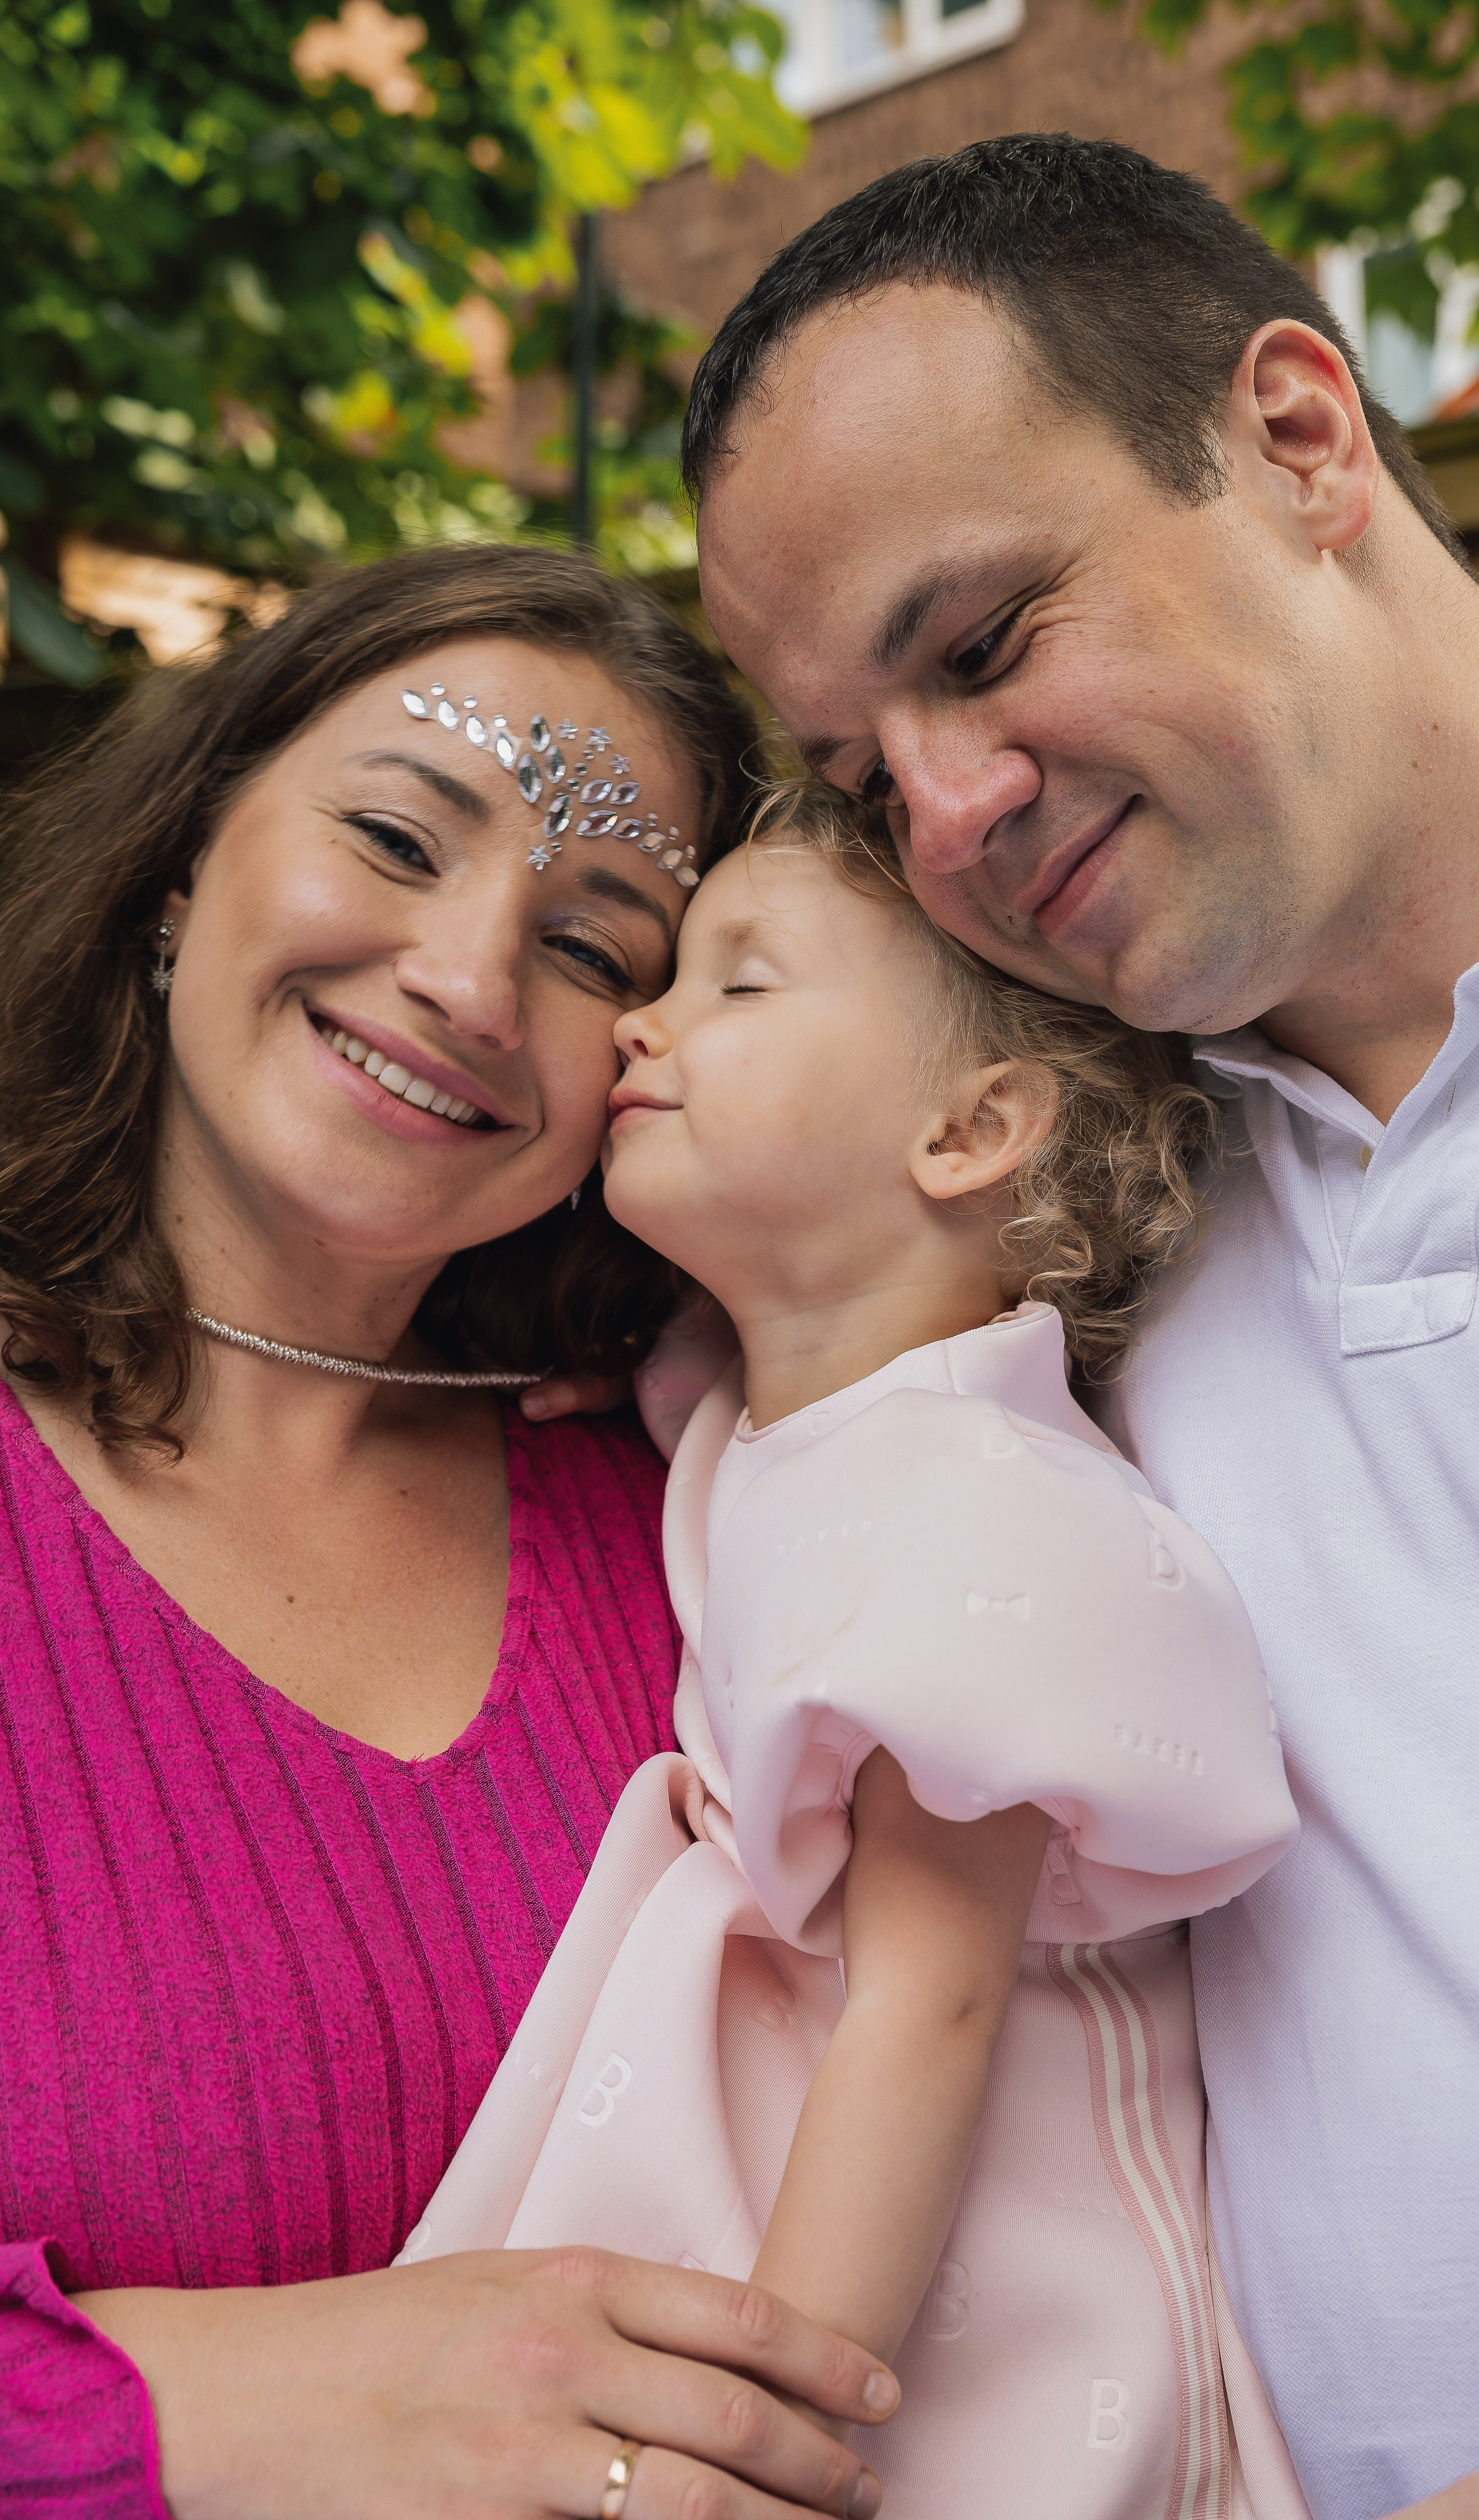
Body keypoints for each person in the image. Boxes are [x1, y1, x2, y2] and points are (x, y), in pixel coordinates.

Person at [663, 134, 1479, 2520]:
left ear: (1301, 439)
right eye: (854, 773)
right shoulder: (1048, 1204)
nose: (947, 814)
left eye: (983, 643)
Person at [0, 545, 900, 2520]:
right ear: (184, 861)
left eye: (595, 949)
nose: (473, 983)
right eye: (399, 840)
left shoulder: (709, 1527)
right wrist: (185, 2405)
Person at [400, 800, 1306, 2519]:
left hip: (960, 2304)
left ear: (970, 1130)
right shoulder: (762, 1401)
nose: (644, 1024)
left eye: (741, 985)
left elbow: (928, 2003)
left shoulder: (982, 1504)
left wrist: (767, 2425)